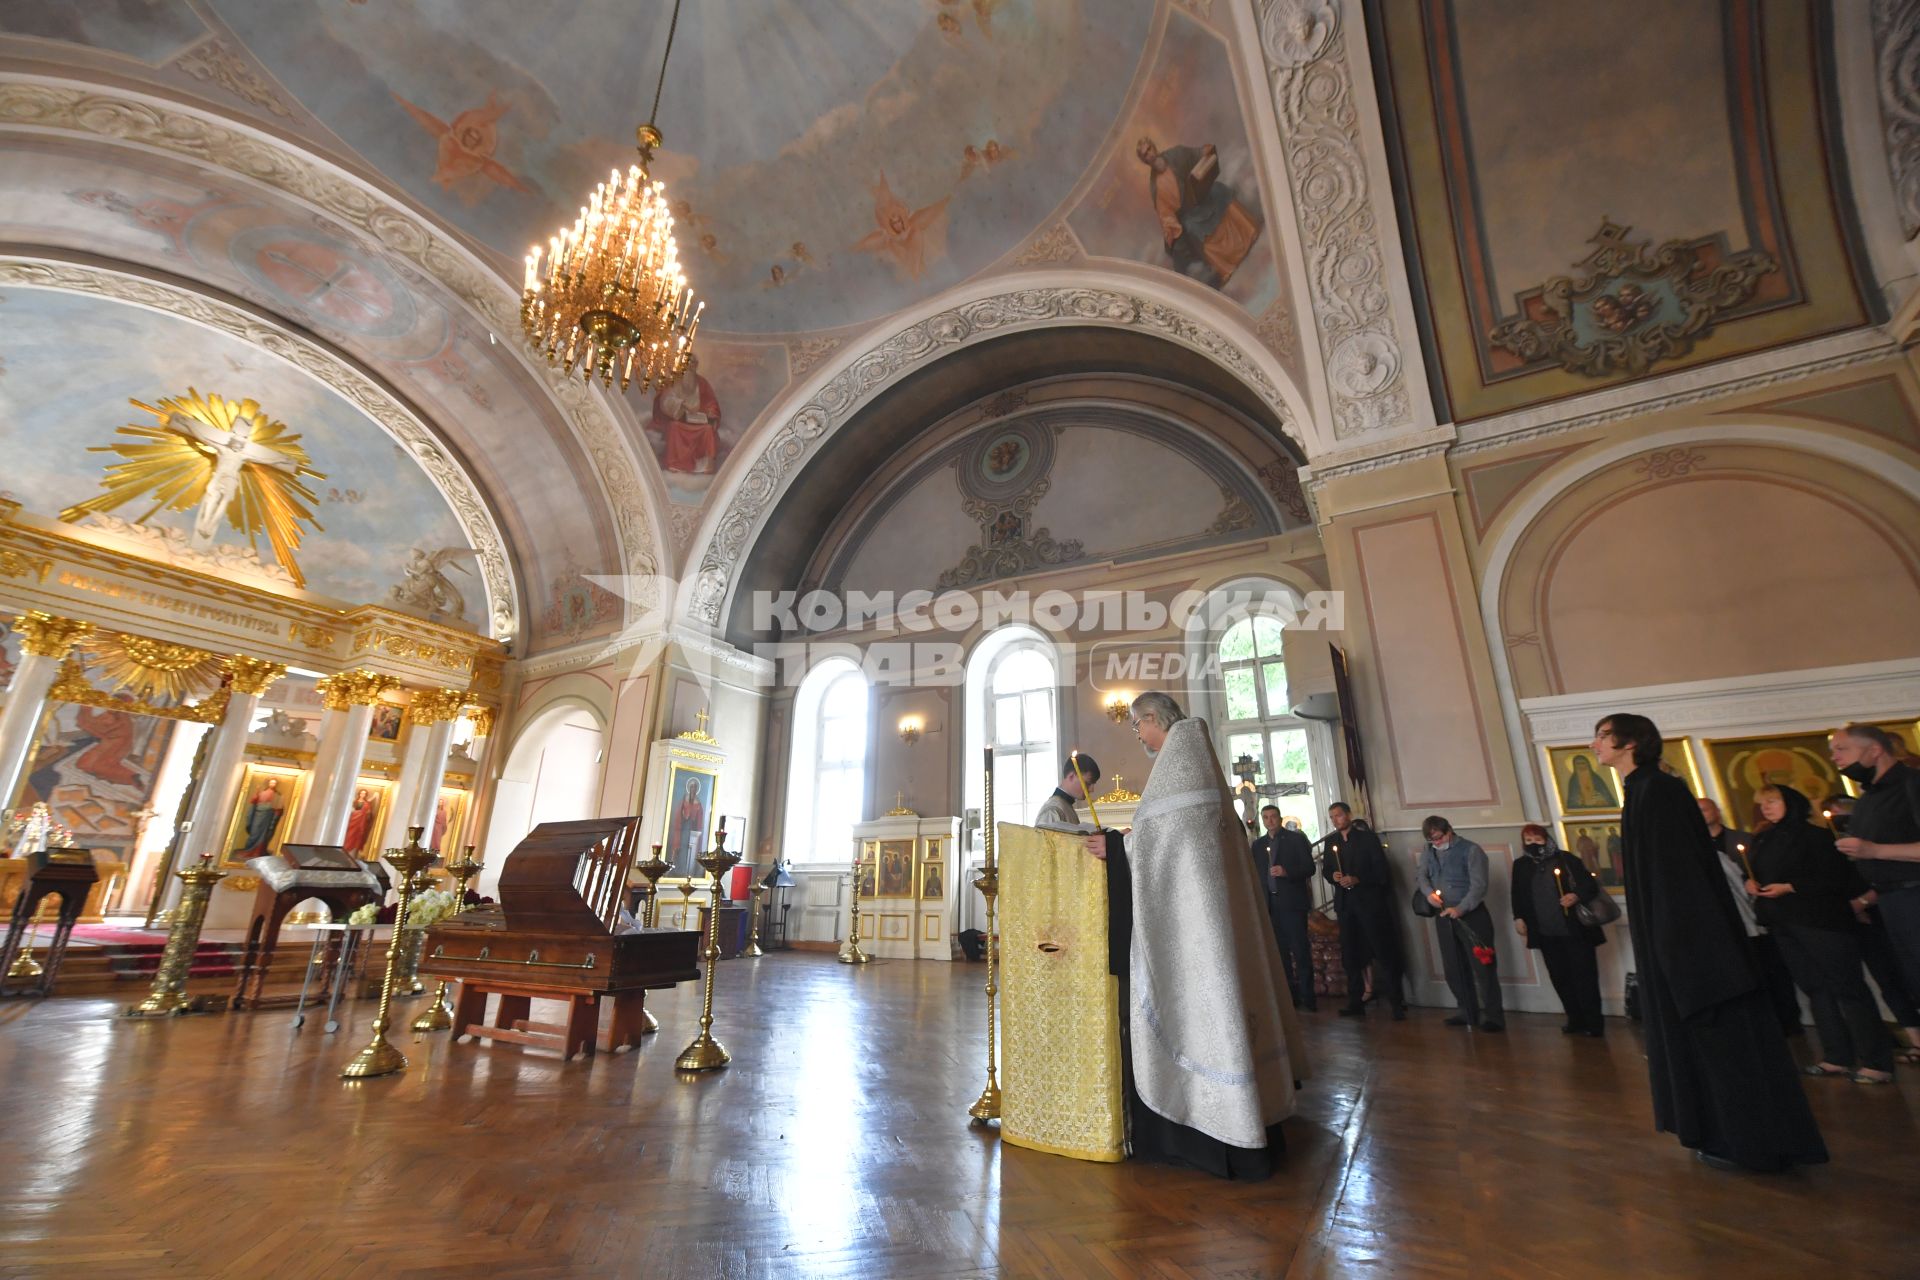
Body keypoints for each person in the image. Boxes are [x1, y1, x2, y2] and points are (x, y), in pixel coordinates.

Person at [1077, 691, 1305, 1180]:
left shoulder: (1179, 763)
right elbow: (1167, 841)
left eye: (1137, 725)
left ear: (1154, 719)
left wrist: (1115, 849)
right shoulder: (1195, 757)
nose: (1137, 734)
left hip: (1197, 935)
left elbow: (1162, 845)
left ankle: (1212, 1126)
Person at [1595, 712, 1825, 1173]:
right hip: (1679, 940)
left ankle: (1748, 1141)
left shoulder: (1658, 791)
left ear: (1630, 742)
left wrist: (1678, 948)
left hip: (1693, 945)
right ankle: (1721, 1134)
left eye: (1602, 736)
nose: (1594, 745)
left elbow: (1679, 878)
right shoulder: (1642, 791)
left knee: (1722, 1041)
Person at [1746, 785, 1893, 1083]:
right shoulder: (1763, 838)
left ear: (1791, 802)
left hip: (1821, 921)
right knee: (1816, 988)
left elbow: (1834, 877)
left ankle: (1877, 1062)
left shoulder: (1815, 835)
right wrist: (1751, 883)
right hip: (1784, 922)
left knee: (1847, 987)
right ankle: (1836, 1057)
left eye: (1773, 801)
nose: (1767, 808)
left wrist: (1791, 887)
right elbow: (1758, 872)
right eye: (1763, 803)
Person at [1830, 723, 1920, 1003]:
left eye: (1841, 749)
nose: (1834, 758)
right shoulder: (1868, 797)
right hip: (1890, 902)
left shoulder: (1913, 783)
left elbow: (1877, 850)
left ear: (1875, 749)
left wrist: (1874, 850)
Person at [1699, 797, 1802, 1036]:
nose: (1700, 814)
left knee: (1772, 970)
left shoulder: (1743, 840)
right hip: (1724, 919)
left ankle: (1787, 1021)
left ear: (1717, 810)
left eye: (1704, 809)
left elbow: (1764, 869)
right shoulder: (1695, 846)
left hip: (1758, 913)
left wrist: (1751, 881)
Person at [1509, 823, 1606, 1037]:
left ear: (1547, 839)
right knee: (1560, 977)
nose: (1533, 845)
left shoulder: (1566, 859)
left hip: (1575, 931)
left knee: (1585, 976)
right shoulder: (1522, 865)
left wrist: (1576, 895)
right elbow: (1517, 895)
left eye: (1538, 840)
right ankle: (1575, 1019)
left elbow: (1590, 886)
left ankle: (1594, 1022)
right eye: (1529, 841)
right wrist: (1518, 917)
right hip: (1545, 932)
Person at [1416, 816, 1504, 1032]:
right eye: (1432, 840)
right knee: (1453, 967)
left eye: (1439, 838)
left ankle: (1493, 1016)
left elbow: (1479, 886)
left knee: (1483, 967)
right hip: (1443, 915)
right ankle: (1467, 1011)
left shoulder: (1471, 850)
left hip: (1471, 915)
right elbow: (1421, 876)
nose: (1436, 843)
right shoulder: (1429, 850)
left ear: (1449, 831)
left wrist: (1461, 908)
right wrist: (1429, 895)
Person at [1134, 137, 1261, 287]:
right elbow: (1165, 213)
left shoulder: (1176, 154)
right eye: (1145, 154)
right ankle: (1226, 265)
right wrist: (1171, 227)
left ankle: (1248, 234)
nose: (1149, 154)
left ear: (1154, 147)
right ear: (1144, 161)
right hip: (1188, 213)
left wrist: (1203, 151)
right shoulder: (1156, 186)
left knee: (1219, 191)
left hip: (1202, 194)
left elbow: (1196, 154)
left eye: (1149, 149)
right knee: (1192, 227)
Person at [1322, 801, 1406, 1020]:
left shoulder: (1367, 840)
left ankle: (1397, 1002)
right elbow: (1327, 869)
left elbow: (1381, 872)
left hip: (1370, 905)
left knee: (1383, 952)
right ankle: (1355, 1001)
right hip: (1346, 907)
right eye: (1331, 817)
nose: (1335, 820)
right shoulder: (1332, 841)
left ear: (1348, 815)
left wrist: (1358, 878)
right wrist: (1334, 876)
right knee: (1350, 955)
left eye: (1338, 815)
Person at [1253, 804, 1316, 1011]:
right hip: (1271, 906)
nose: (1269, 820)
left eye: (1273, 817)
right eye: (1266, 817)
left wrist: (1286, 871)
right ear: (1262, 820)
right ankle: (1290, 997)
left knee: (1300, 950)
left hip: (1292, 904)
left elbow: (1309, 867)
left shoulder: (1295, 840)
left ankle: (1309, 997)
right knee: (1280, 955)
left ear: (1279, 818)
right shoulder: (1258, 845)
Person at [1034, 754, 1100, 833]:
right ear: (1071, 776)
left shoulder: (1065, 806)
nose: (1091, 789)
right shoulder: (1053, 810)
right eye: (1088, 783)